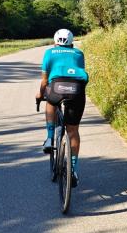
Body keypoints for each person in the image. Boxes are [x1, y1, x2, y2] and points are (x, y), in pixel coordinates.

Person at [36, 29, 88, 187]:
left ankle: (50, 137)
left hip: (57, 86)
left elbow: (44, 81)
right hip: (76, 90)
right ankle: (72, 170)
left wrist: (40, 95)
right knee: (73, 131)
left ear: (55, 41)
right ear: (72, 42)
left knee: (50, 101)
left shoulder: (49, 52)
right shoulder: (78, 53)